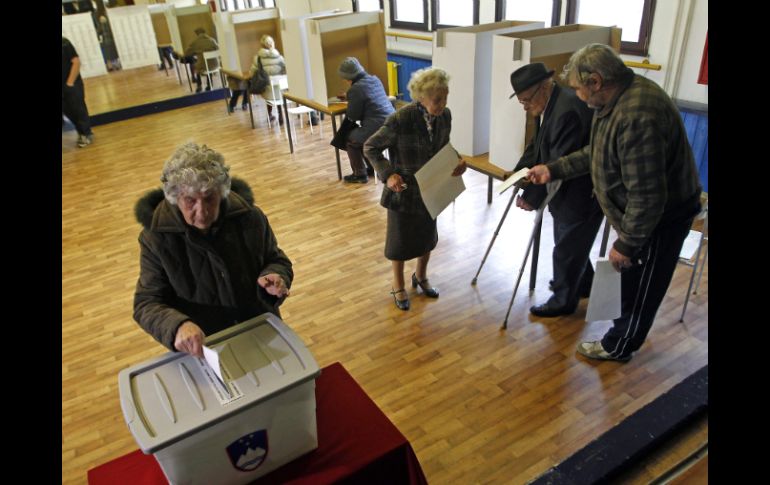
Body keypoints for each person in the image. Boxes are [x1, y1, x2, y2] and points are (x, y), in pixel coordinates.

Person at [528, 43, 702, 362]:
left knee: (641, 285)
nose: (578, 96)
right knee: (630, 278)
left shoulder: (636, 115)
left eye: (580, 89)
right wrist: (552, 169)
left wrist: (627, 243)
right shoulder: (613, 101)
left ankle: (619, 345)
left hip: (661, 218)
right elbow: (596, 153)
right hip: (640, 212)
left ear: (596, 81)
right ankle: (620, 332)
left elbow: (647, 196)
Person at [133, 142, 293, 357]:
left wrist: (275, 275)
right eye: (190, 200)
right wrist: (177, 326)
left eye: (210, 198)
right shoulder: (156, 239)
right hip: (205, 347)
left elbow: (277, 259)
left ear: (222, 192)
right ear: (174, 197)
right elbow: (147, 303)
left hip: (260, 332)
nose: (202, 212)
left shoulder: (250, 218)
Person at [364, 67, 466, 311]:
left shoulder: (445, 116)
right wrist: (388, 175)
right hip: (404, 190)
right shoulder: (401, 119)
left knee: (427, 238)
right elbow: (370, 147)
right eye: (437, 99)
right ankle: (397, 285)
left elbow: (444, 147)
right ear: (421, 97)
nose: (443, 104)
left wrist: (457, 160)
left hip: (432, 187)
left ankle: (420, 276)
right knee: (399, 243)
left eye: (445, 97)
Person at [508, 63, 602, 318]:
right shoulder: (550, 103)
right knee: (572, 240)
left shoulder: (566, 111)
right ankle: (582, 283)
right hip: (567, 189)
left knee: (567, 244)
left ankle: (563, 300)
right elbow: (537, 147)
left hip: (581, 190)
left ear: (544, 87)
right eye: (521, 102)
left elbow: (556, 161)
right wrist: (518, 176)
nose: (525, 106)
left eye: (527, 100)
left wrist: (531, 197)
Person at [336, 57, 395, 184]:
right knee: (361, 137)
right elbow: (368, 94)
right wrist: (349, 96)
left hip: (377, 127)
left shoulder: (355, 89)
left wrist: (350, 99)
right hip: (392, 123)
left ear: (348, 77)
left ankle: (360, 174)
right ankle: (372, 168)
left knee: (351, 140)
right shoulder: (374, 79)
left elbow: (353, 115)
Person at [244, 35, 286, 122]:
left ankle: (270, 114)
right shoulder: (279, 57)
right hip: (280, 86)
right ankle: (280, 114)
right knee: (278, 93)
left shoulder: (258, 58)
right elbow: (286, 68)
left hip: (267, 86)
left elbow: (252, 72)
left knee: (269, 95)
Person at [62, 36, 94, 148]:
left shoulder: (64, 42)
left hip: (72, 83)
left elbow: (76, 62)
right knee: (67, 111)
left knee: (78, 109)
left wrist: (70, 83)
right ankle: (81, 133)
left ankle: (86, 134)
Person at [184, 27, 219, 93]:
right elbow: (218, 49)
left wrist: (195, 52)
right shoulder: (212, 40)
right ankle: (209, 85)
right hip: (215, 65)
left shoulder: (195, 42)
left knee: (196, 65)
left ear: (196, 34)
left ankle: (199, 86)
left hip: (204, 66)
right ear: (205, 32)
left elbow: (186, 53)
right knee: (208, 63)